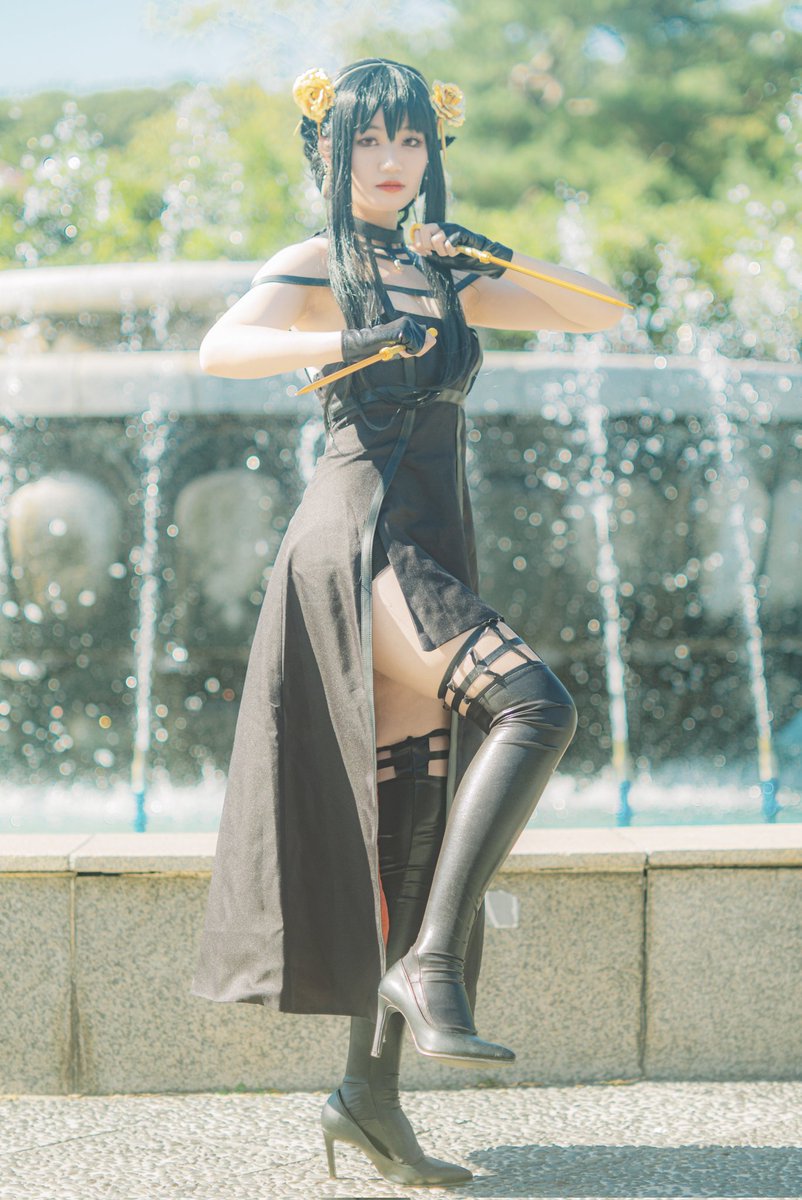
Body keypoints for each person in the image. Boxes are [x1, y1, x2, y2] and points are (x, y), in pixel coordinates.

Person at [190, 56, 625, 1188]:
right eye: (370, 141)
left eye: (412, 141)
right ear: (332, 152)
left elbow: (602, 308)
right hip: (363, 533)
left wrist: (493, 258)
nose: (392, 162)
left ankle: (367, 1099)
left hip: (430, 534)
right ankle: (431, 962)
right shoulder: (318, 263)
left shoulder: (445, 271)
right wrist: (342, 341)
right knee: (533, 703)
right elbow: (221, 350)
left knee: (409, 830)